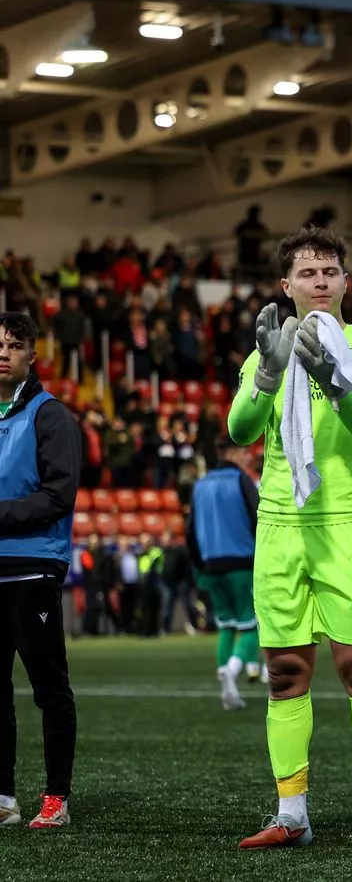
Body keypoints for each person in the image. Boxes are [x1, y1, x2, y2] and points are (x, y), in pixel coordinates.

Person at [227, 226, 352, 850]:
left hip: (347, 524)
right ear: (287, 286)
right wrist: (270, 377)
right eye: (307, 273)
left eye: (330, 272)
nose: (320, 282)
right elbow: (240, 427)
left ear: (346, 283)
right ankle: (291, 814)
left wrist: (334, 379)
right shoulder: (263, 352)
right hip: (279, 526)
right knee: (282, 673)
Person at [0, 312, 82, 829]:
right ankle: (4, 798)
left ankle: (57, 797)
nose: (2, 351)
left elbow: (58, 495)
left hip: (32, 569)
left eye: (14, 344)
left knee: (49, 689)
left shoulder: (50, 415)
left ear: (32, 355)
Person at [187, 434, 261, 711]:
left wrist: (200, 566)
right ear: (232, 453)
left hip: (211, 566)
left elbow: (190, 531)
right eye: (244, 453)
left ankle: (226, 689)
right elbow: (258, 519)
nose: (248, 457)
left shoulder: (200, 486)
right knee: (253, 626)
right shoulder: (241, 481)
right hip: (242, 564)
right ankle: (232, 669)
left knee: (227, 626)